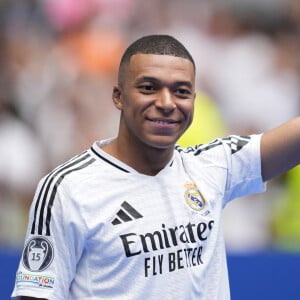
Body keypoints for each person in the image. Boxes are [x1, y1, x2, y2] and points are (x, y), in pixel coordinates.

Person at [11, 34, 300, 300]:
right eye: (149, 87)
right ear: (118, 96)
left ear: (194, 101)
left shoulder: (211, 167)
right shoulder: (67, 188)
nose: (166, 102)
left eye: (181, 92)